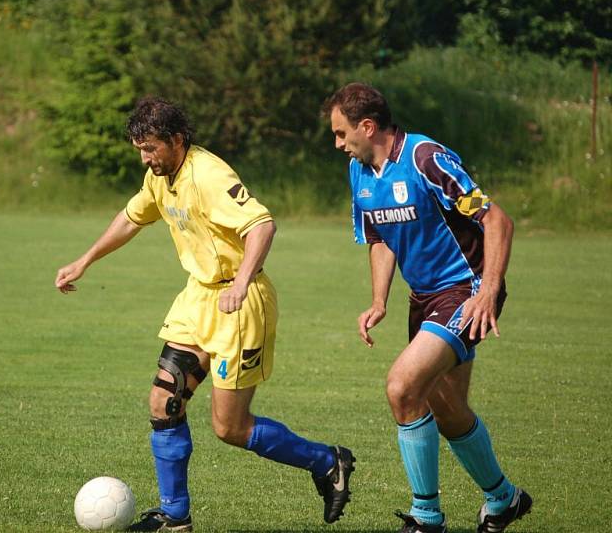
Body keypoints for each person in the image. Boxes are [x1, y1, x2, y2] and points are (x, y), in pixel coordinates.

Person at [55, 96, 355, 532]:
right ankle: (175, 517)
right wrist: (85, 261)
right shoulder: (159, 176)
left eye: (151, 148)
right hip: (198, 299)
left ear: (177, 140)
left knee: (230, 427)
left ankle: (327, 462)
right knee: (164, 401)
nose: (145, 157)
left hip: (241, 303)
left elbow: (262, 226)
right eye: (140, 149)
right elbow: (131, 217)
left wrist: (240, 282)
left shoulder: (209, 174)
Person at [321, 83, 532, 533]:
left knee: (402, 387)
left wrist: (488, 290)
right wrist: (379, 300)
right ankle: (503, 498)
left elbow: (496, 219)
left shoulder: (426, 158)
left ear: (367, 126)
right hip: (423, 300)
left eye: (341, 134)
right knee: (448, 407)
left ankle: (426, 517)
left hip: (464, 291)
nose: (338, 144)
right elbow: (378, 238)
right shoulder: (360, 172)